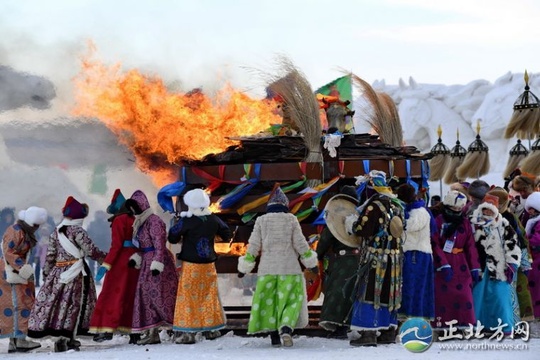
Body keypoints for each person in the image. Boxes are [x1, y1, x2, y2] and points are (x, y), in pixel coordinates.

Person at [238, 184, 318, 347]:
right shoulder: (291, 220)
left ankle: (274, 335)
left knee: (270, 302)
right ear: (285, 206)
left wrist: (244, 267)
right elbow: (301, 244)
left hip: (267, 269)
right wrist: (311, 263)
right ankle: (286, 328)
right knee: (290, 300)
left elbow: (253, 245)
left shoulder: (261, 220)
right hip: (289, 269)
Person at [27, 196, 107, 352]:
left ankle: (60, 337)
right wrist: (106, 258)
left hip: (58, 273)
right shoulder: (78, 231)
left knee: (57, 305)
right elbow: (91, 251)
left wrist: (47, 274)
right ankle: (69, 338)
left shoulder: (55, 232)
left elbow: (50, 256)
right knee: (73, 305)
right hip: (77, 273)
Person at [346, 171, 405, 347]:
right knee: (390, 292)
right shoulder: (397, 205)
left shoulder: (374, 206)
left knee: (370, 291)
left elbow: (362, 229)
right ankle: (388, 331)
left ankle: (368, 333)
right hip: (394, 259)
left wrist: (351, 224)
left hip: (376, 258)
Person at [168, 188, 232, 344]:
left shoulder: (186, 220)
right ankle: (210, 330)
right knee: (209, 296)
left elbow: (172, 237)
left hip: (191, 265)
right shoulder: (213, 219)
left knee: (188, 297)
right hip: (209, 265)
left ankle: (187, 334)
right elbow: (227, 233)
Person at [125, 190, 178, 345]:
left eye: (135, 208)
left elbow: (159, 246)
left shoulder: (154, 221)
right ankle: (152, 333)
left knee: (161, 297)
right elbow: (143, 247)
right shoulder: (141, 222)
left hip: (159, 264)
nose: (134, 212)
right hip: (147, 263)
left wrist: (157, 265)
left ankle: (177, 327)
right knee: (146, 297)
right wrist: (137, 259)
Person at [89, 189, 141, 344]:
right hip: (135, 260)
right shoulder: (134, 218)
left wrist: (106, 264)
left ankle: (106, 329)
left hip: (121, 262)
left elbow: (116, 246)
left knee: (112, 295)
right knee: (130, 296)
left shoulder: (119, 220)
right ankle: (133, 332)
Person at [470, 194, 521, 335]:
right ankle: (478, 326)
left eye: (490, 210)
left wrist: (512, 264)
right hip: (480, 266)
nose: (487, 212)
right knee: (478, 296)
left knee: (500, 297)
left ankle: (505, 326)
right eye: (485, 209)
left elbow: (512, 245)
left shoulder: (504, 224)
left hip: (499, 267)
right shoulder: (473, 224)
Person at [431, 190, 480, 336]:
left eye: (460, 208)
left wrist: (475, 267)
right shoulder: (438, 221)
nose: (458, 211)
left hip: (461, 263)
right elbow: (435, 244)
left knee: (465, 295)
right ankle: (443, 328)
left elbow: (470, 246)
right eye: (455, 208)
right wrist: (442, 264)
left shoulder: (465, 222)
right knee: (443, 297)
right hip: (444, 263)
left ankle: (463, 326)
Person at [0, 206, 48, 353]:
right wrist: (23, 268)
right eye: (36, 225)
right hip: (11, 273)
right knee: (20, 304)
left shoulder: (22, 229)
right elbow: (9, 252)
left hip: (17, 272)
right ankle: (19, 340)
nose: (37, 228)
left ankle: (15, 342)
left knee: (18, 304)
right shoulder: (16, 231)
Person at [315, 185, 361, 339]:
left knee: (338, 293)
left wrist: (318, 255)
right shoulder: (360, 215)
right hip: (359, 260)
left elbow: (325, 239)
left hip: (342, 261)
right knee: (353, 293)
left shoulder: (335, 218)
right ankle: (349, 325)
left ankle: (339, 328)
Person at [487, 187, 534, 321]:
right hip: (492, 261)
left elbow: (522, 239)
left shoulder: (509, 218)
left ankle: (515, 321)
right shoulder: (487, 218)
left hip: (510, 261)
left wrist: (524, 262)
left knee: (511, 291)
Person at [396, 184, 435, 321]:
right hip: (410, 253)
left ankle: (414, 317)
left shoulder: (419, 212)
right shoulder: (413, 210)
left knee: (414, 287)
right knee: (407, 286)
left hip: (417, 254)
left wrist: (397, 218)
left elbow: (409, 226)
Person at [524, 192, 540, 320]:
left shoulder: (537, 223)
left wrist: (527, 239)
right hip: (534, 256)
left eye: (532, 209)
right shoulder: (533, 221)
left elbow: (537, 239)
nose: (530, 212)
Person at [86, 210, 112, 280]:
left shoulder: (103, 225)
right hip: (97, 246)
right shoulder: (94, 224)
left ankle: (95, 278)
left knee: (96, 263)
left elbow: (108, 236)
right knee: (95, 263)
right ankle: (95, 278)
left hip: (98, 246)